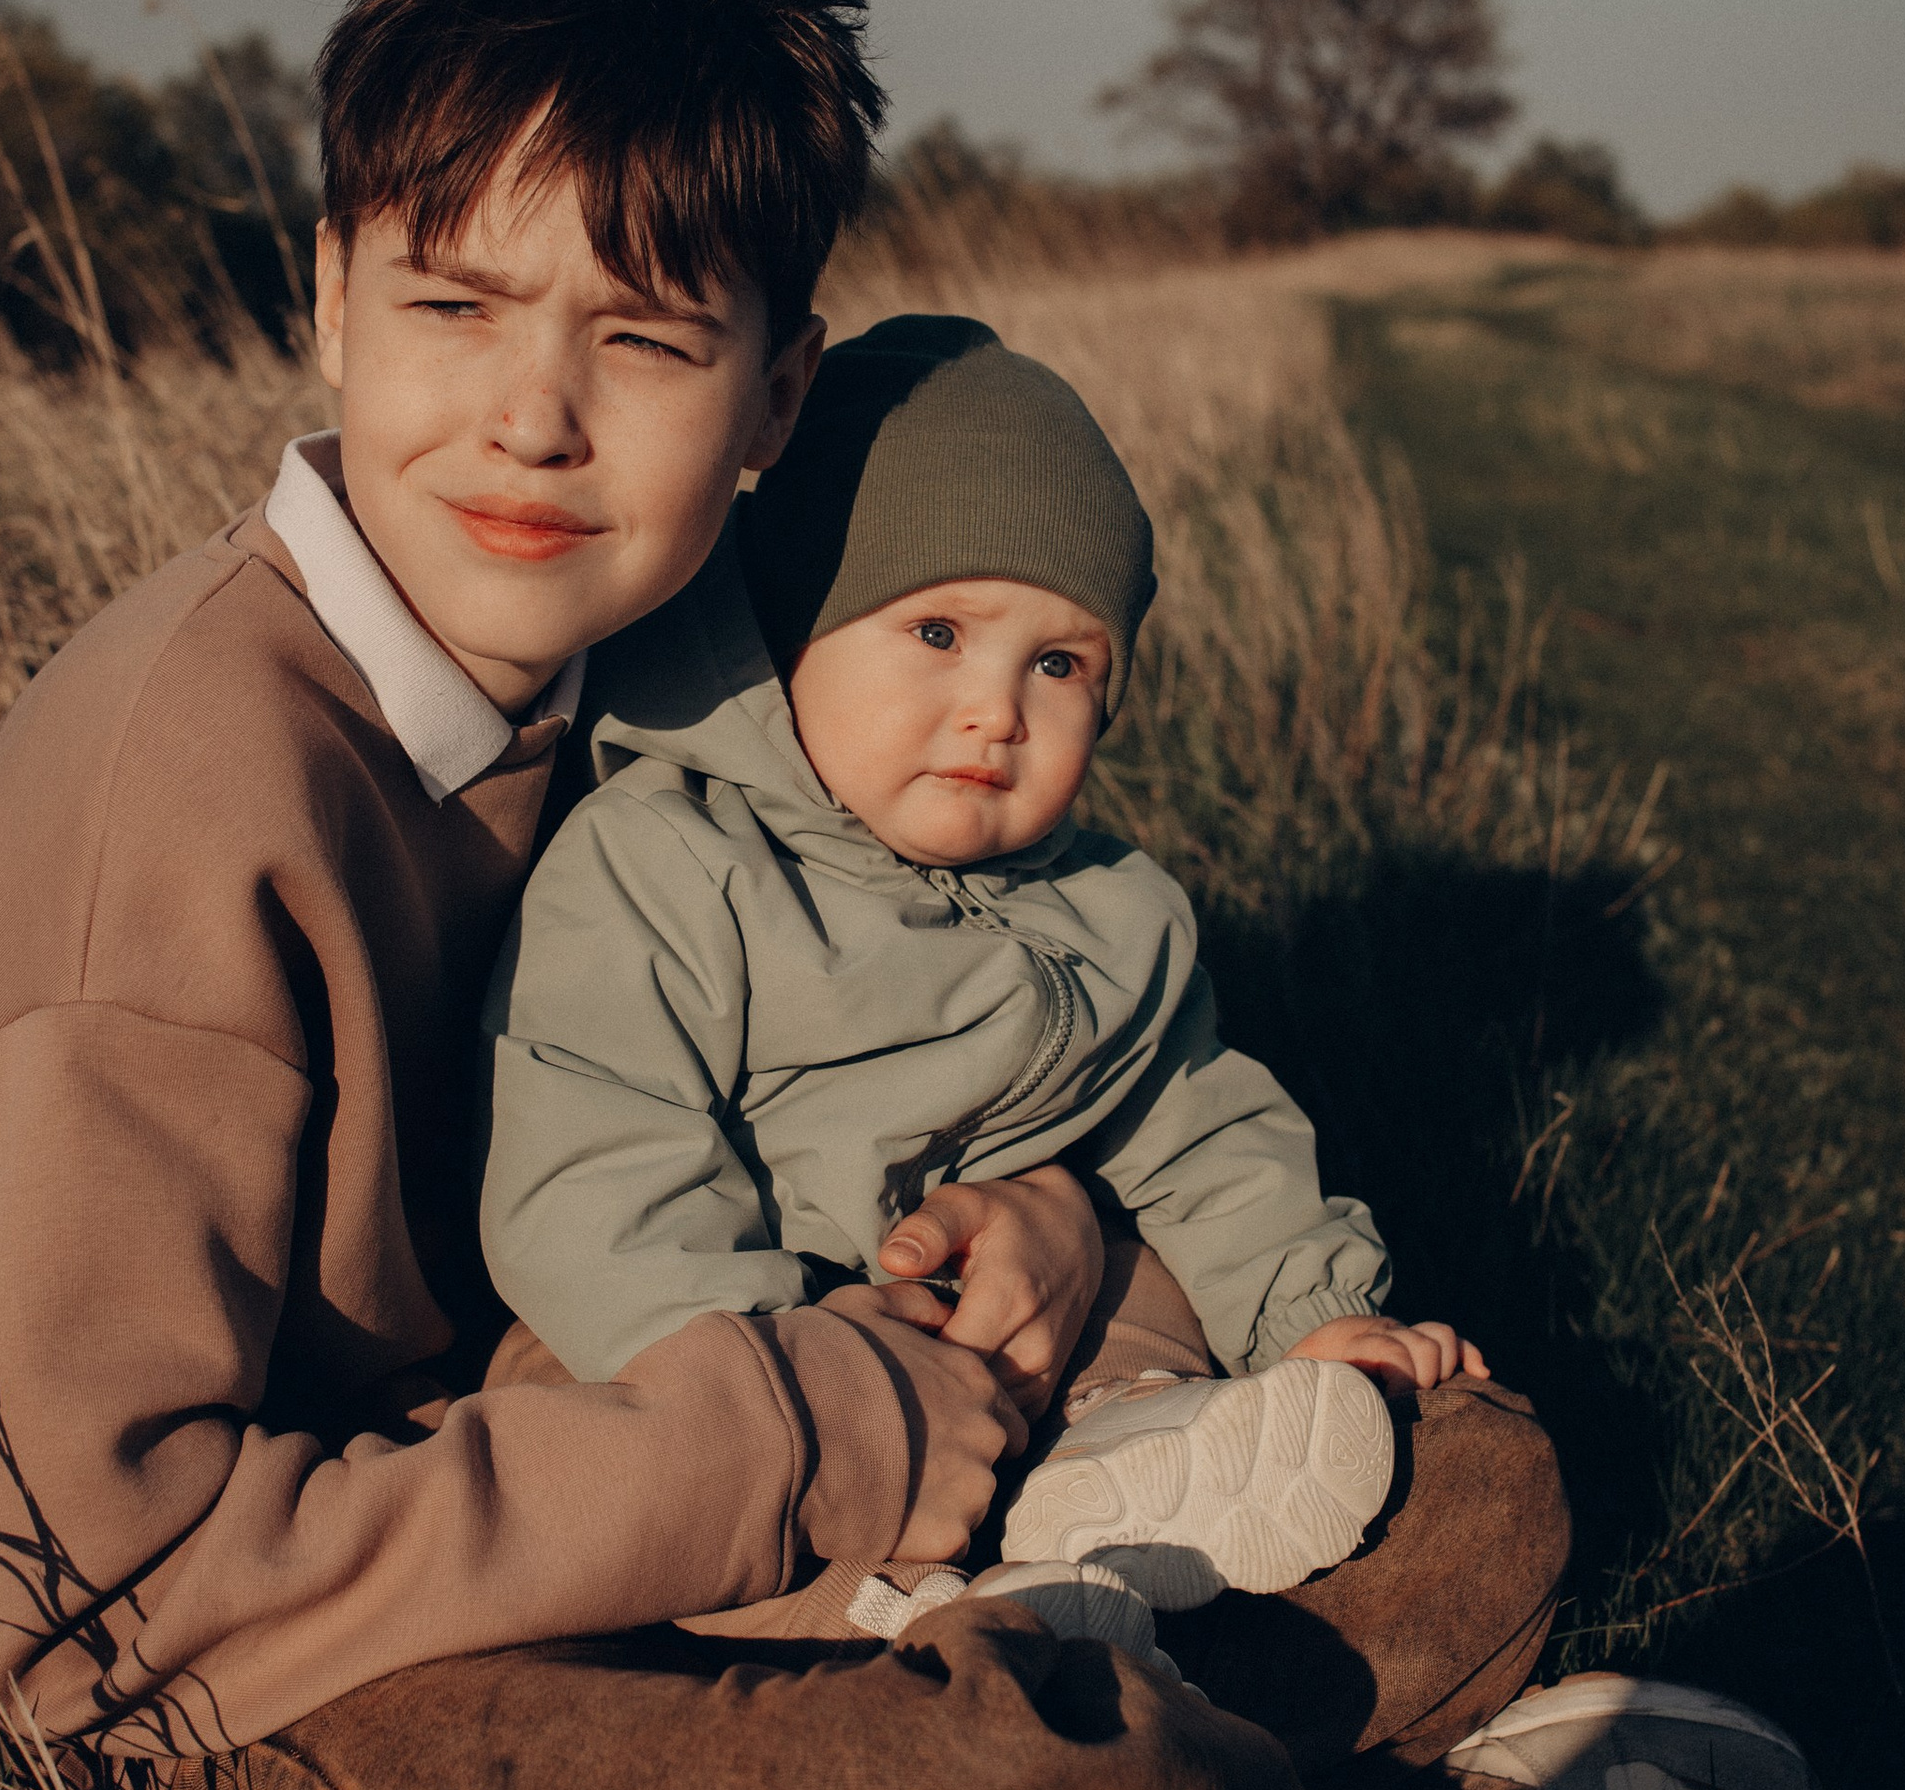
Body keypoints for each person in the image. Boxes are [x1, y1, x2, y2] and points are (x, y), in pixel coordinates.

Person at [0, 0, 1801, 1790]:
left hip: (491, 1462)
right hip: (191, 1670)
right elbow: (75, 1602)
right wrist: (783, 1450)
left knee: (1464, 1476)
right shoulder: (180, 815)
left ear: (773, 401)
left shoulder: (620, 688)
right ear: (322, 297)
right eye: (453, 304)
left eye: (636, 337)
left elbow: (805, 1088)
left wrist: (1055, 1233)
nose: (529, 418)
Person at [482, 310, 1495, 1645]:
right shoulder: (666, 865)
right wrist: (804, 1377)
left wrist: (1313, 1310)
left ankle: (1118, 1465)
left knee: (1204, 1310)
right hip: (745, 1360)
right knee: (594, 1426)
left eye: (1060, 664)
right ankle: (902, 1620)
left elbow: (1204, 1130)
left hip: (1014, 1342)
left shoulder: (1110, 913)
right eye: (939, 633)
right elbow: (592, 1165)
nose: (997, 710)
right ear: (792, 632)